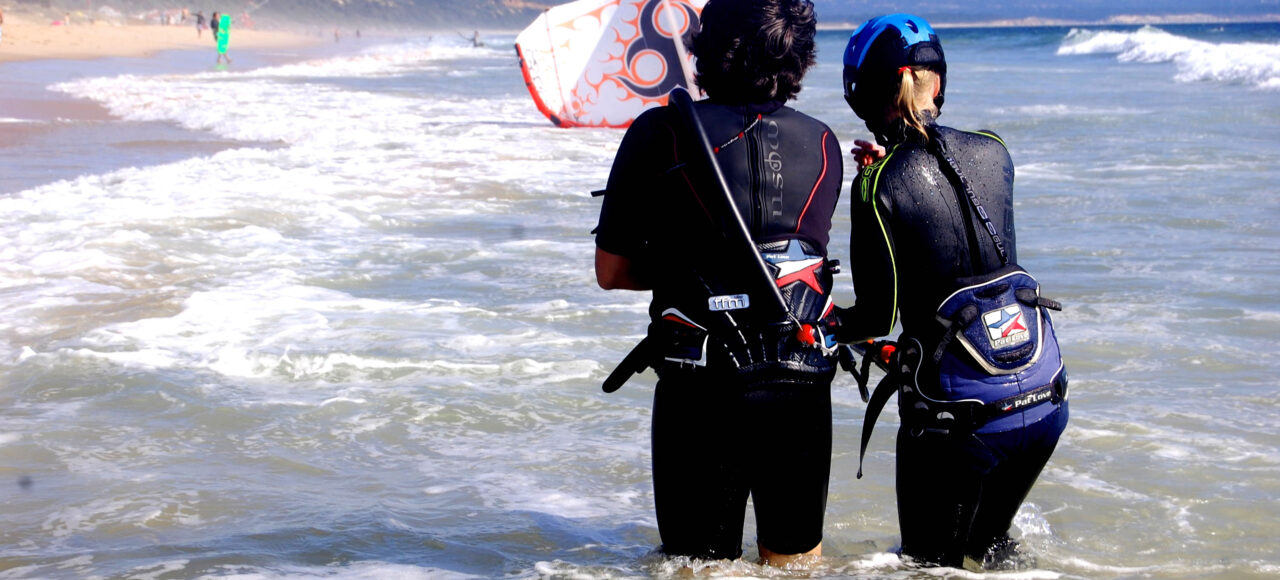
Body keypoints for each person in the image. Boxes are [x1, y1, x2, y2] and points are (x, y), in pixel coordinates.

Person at [593, 0, 843, 566]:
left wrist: (693, 275)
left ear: (708, 49)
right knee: (795, 566)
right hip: (799, 380)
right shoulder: (825, 143)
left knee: (698, 569)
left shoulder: (661, 130)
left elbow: (611, 272)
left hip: (702, 385)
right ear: (799, 56)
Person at [832, 13, 1070, 570]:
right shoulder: (994, 149)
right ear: (937, 82)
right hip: (1043, 397)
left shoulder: (875, 183)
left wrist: (820, 320)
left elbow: (874, 318)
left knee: (927, 565)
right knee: (984, 549)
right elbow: (974, 256)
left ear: (865, 93)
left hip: (962, 415)